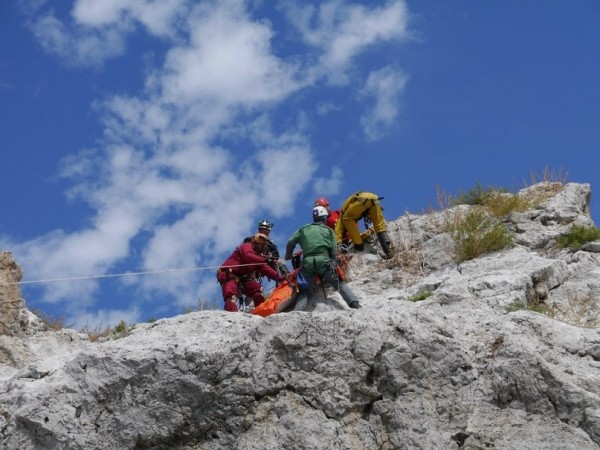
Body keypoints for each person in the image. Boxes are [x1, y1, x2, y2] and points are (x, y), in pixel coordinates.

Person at [285, 206, 362, 310]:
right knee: (339, 284)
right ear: (325, 218)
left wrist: (288, 255)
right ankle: (354, 304)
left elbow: (290, 242)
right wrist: (333, 262)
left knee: (305, 291)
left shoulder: (304, 229)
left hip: (308, 263)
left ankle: (297, 311)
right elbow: (333, 250)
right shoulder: (329, 231)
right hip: (324, 261)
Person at [217, 233, 286, 312]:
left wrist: (281, 278)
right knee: (231, 294)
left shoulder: (258, 257)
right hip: (228, 273)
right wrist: (265, 260)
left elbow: (266, 269)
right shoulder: (246, 246)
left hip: (243, 278)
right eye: (262, 244)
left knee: (256, 289)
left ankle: (261, 311)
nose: (263, 246)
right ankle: (231, 316)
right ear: (256, 242)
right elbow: (248, 256)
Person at [334, 191, 394, 258]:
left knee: (346, 219)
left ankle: (359, 245)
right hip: (375, 199)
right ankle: (388, 251)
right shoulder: (358, 210)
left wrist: (338, 242)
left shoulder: (342, 214)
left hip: (362, 199)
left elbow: (338, 229)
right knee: (379, 225)